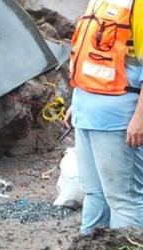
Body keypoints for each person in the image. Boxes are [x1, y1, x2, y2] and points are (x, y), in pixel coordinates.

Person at [65, 0, 143, 234]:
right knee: (95, 194)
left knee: (123, 200)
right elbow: (90, 55)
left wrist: (139, 119)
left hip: (118, 117)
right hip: (86, 111)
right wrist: (76, 102)